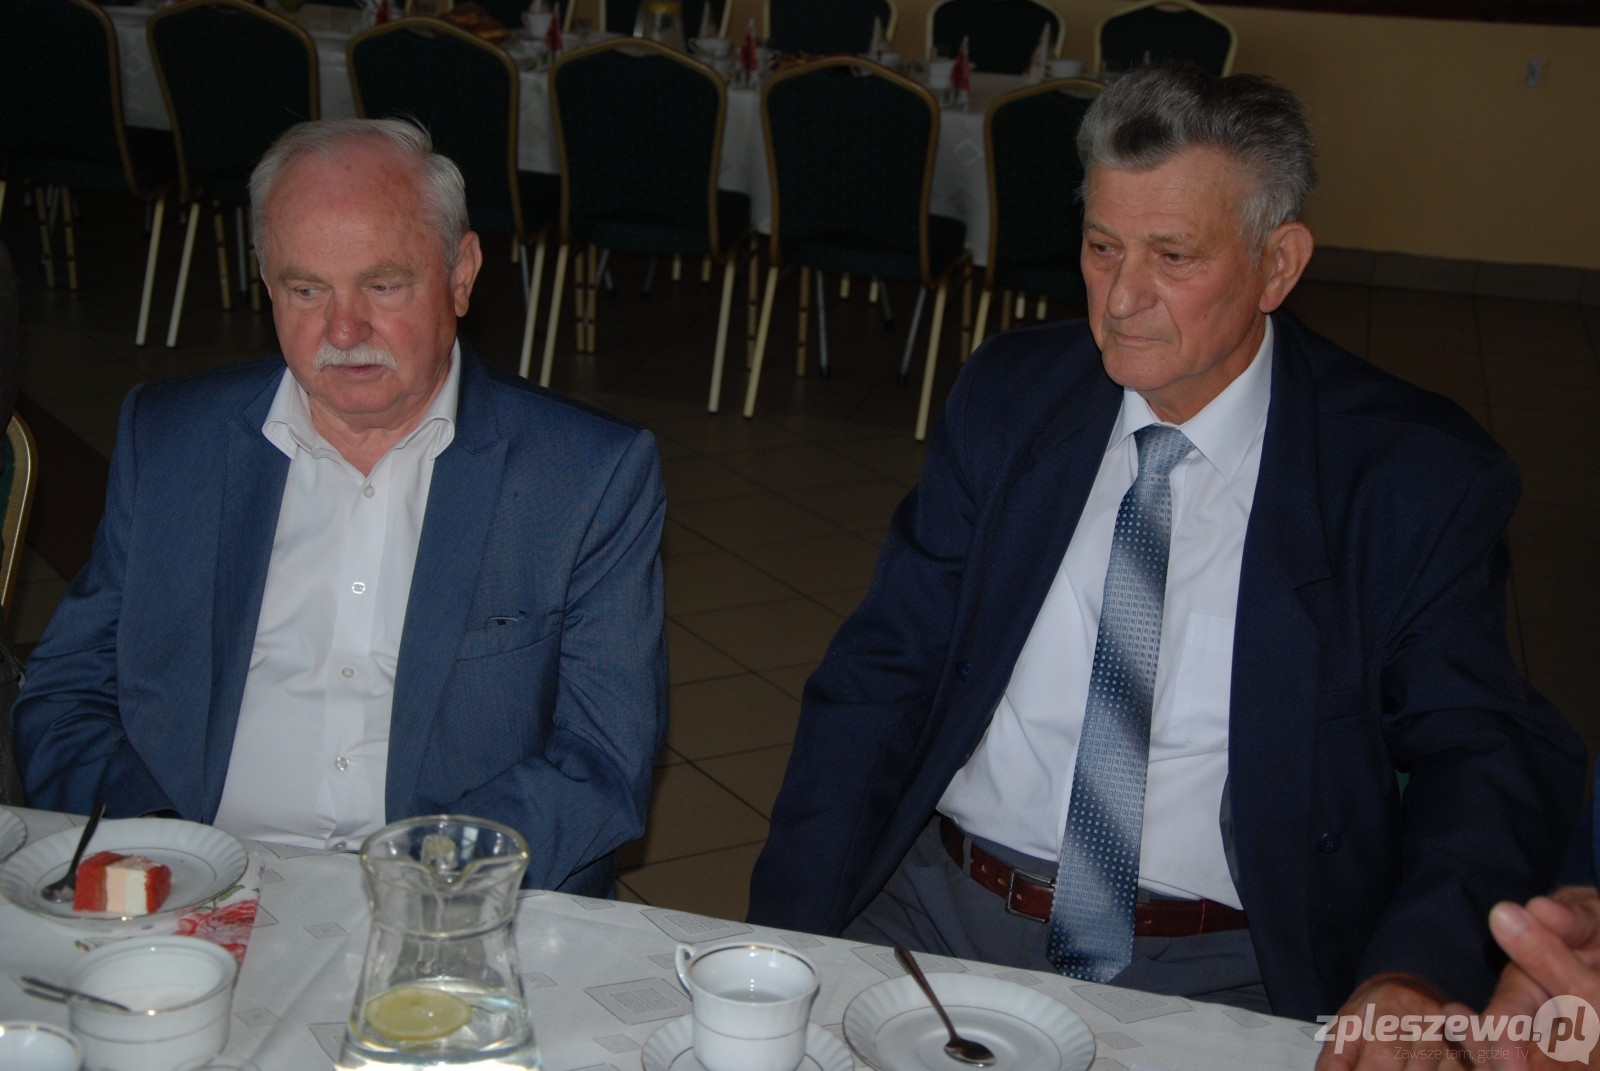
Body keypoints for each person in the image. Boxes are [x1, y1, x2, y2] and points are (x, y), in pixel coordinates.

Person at [747, 61, 1583, 1053]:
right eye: (1102, 247)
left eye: (1173, 257)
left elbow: (1483, 750)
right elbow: (880, 676)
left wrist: (1413, 970)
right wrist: (782, 930)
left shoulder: (1407, 473)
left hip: (1228, 964)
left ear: (1277, 265)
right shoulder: (1012, 396)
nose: (1122, 299)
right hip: (935, 915)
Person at [11, 118, 668, 896]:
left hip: (449, 905)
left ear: (461, 274)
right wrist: (159, 851)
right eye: (307, 289)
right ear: (266, 282)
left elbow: (602, 758)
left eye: (382, 285)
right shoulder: (171, 439)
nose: (344, 329)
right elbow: (67, 690)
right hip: (192, 878)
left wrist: (411, 890)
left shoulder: (583, 474)